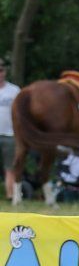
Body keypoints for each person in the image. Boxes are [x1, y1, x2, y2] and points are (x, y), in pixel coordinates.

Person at [0, 59, 21, 200]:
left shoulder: (14, 90)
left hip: (9, 134)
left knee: (10, 167)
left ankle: (10, 195)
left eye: (1, 70)